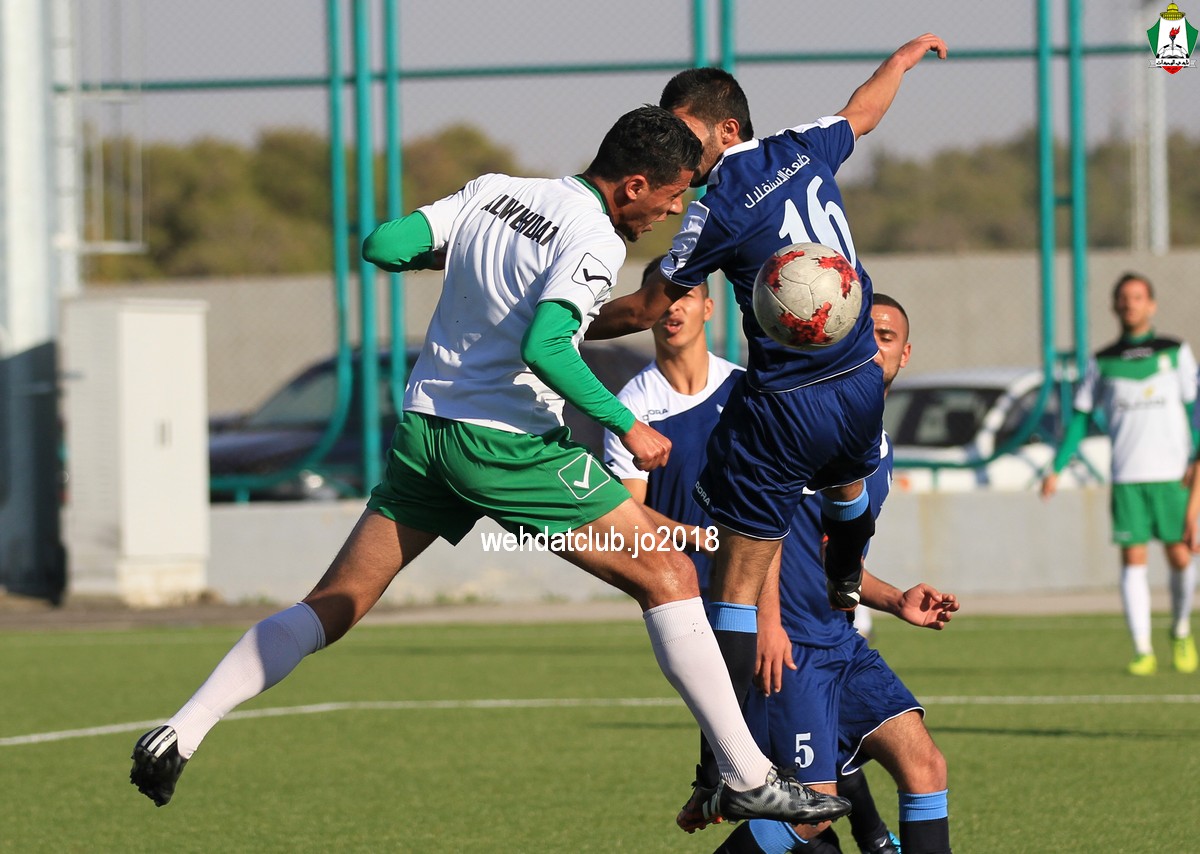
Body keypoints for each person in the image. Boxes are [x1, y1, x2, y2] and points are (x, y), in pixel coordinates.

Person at [127, 105, 850, 828]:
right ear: (634, 185)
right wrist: (628, 424)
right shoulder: (593, 236)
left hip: (427, 434)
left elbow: (384, 245)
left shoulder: (493, 190)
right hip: (504, 445)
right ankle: (746, 775)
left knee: (335, 602)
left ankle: (181, 731)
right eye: (670, 196)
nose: (672, 211)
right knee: (669, 573)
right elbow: (547, 346)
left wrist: (479, 264)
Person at [590, 33, 948, 826]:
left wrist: (565, 321)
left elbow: (647, 307)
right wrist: (900, 63)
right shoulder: (801, 148)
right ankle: (847, 572)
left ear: (724, 129)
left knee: (737, 584)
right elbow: (863, 113)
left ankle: (722, 765)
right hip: (860, 383)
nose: (678, 149)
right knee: (848, 493)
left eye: (684, 132)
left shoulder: (716, 206)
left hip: (785, 404)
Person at [607, 292, 956, 853]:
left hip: (840, 641)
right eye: (865, 334)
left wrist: (895, 600)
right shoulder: (816, 423)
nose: (874, 346)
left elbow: (829, 560)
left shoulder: (879, 446)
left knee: (925, 766)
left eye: (887, 337)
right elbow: (762, 527)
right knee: (810, 812)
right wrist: (765, 622)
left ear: (905, 355)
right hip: (791, 651)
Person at [1041, 272, 1199, 676]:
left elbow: (1194, 410)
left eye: (1138, 297)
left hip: (1174, 476)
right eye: (1124, 297)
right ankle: (1142, 648)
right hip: (1128, 475)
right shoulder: (1102, 361)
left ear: (1152, 304)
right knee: (1133, 558)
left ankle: (1181, 629)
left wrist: (1197, 459)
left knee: (1181, 556)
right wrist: (1057, 467)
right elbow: (1080, 417)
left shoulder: (1175, 352)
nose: (1130, 303)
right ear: (1114, 306)